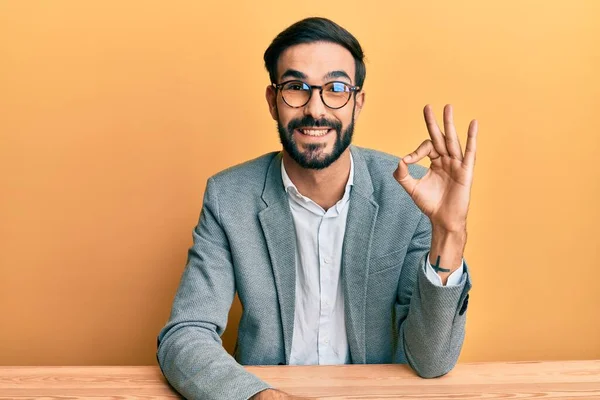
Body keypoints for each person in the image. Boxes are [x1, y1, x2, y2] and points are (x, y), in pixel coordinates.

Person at [156, 17, 478, 400]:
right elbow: (185, 334)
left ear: (357, 103)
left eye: (336, 88)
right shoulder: (229, 197)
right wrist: (257, 396)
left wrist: (449, 232)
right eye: (296, 88)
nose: (315, 108)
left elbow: (432, 360)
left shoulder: (406, 194)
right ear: (273, 102)